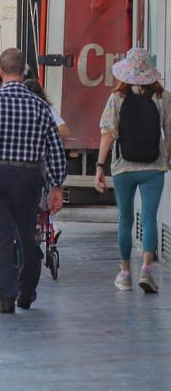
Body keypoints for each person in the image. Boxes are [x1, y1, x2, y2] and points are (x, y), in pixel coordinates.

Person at [0, 48, 66, 314]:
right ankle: (27, 291)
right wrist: (56, 185)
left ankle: (5, 296)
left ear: (1, 72)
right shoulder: (40, 106)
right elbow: (54, 148)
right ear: (24, 72)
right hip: (28, 177)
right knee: (27, 234)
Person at [95, 48, 170, 294]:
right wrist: (165, 158)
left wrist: (99, 168)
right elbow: (169, 136)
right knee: (149, 219)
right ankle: (147, 269)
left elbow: (107, 134)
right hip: (153, 168)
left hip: (123, 169)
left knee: (125, 220)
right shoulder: (164, 98)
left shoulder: (117, 98)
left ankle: (125, 273)